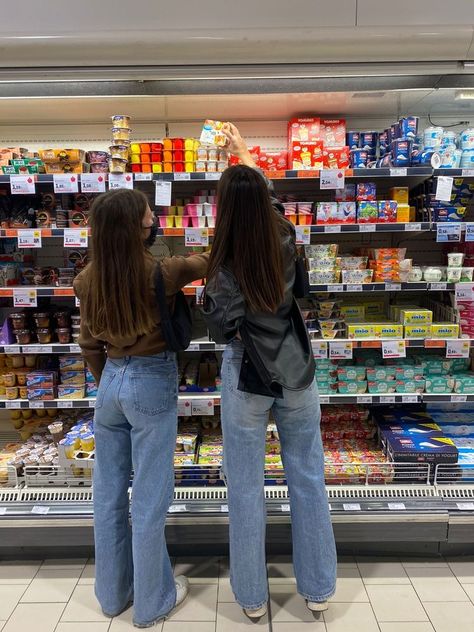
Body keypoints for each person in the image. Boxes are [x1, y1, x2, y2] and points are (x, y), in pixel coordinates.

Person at [202, 124, 337, 619]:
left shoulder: (227, 258)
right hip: (296, 367)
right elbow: (269, 202)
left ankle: (254, 598)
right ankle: (319, 588)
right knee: (308, 477)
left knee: (245, 487)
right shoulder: (284, 233)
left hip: (248, 376)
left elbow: (220, 330)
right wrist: (245, 159)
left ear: (224, 211)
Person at [74, 188, 209, 629]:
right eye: (149, 215)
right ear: (137, 225)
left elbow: (88, 342)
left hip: (109, 382)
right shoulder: (163, 271)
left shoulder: (85, 278)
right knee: (149, 500)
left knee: (107, 497)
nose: (154, 219)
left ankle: (113, 597)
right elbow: (211, 259)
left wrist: (109, 382)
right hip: (150, 381)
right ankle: (153, 603)